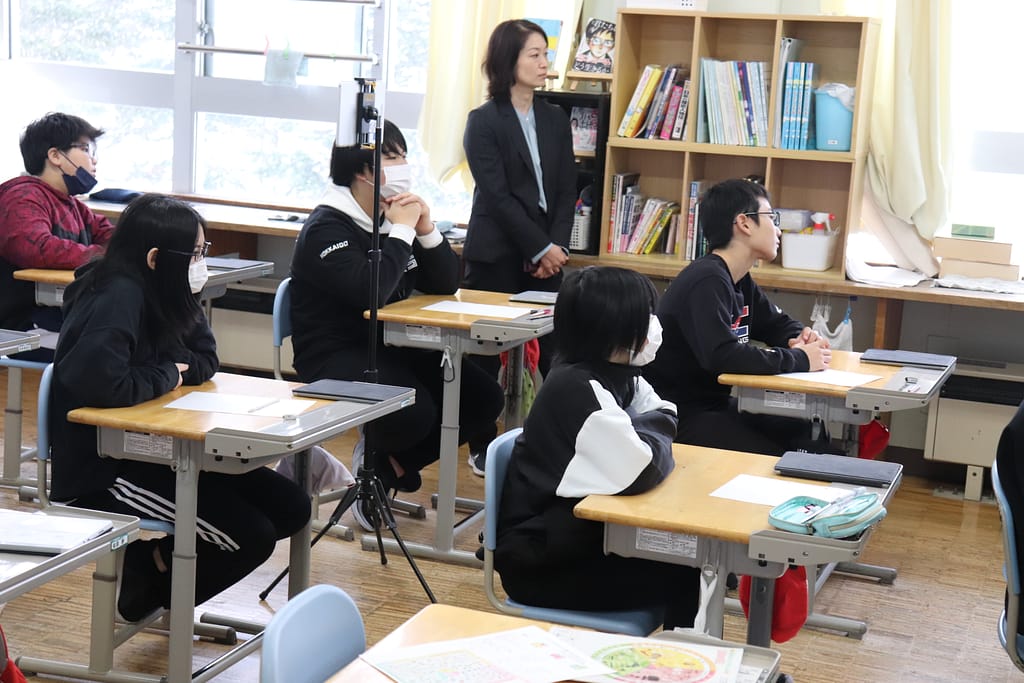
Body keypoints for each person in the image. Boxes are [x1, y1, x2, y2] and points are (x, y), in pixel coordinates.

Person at [49, 193, 310, 622]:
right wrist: (167, 373)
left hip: (163, 449)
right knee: (251, 536)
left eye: (203, 251)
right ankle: (151, 582)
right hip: (106, 467)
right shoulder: (115, 295)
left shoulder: (170, 290)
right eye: (194, 254)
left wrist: (167, 370)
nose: (201, 263)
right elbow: (100, 384)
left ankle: (152, 564)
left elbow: (205, 360)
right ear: (155, 257)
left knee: (292, 506)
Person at [289, 121, 504, 528]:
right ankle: (372, 471)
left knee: (483, 398)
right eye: (390, 157)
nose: (402, 165)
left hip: (390, 345)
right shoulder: (327, 227)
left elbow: (444, 283)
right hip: (335, 352)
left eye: (403, 155)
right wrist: (402, 230)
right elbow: (370, 292)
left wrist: (424, 229)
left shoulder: (389, 218)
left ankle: (384, 468)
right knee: (414, 411)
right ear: (361, 170)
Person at [496, 266, 700, 630]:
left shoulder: (618, 373)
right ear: (614, 326)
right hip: (540, 562)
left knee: (686, 557)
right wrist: (646, 436)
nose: (654, 326)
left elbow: (664, 412)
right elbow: (645, 468)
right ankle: (672, 658)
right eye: (645, 316)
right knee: (684, 570)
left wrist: (642, 434)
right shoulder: (576, 388)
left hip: (575, 538)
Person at [644, 178, 832, 456]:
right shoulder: (707, 280)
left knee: (805, 431)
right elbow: (723, 355)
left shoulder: (738, 278)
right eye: (771, 218)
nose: (777, 229)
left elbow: (775, 324)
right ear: (744, 223)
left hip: (712, 406)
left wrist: (799, 337)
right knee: (772, 457)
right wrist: (801, 359)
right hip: (678, 413)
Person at [0, 113, 115, 360]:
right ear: (55, 156)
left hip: (57, 314)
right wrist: (104, 255)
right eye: (85, 149)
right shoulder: (22, 197)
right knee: (109, 353)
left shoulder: (72, 204)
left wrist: (129, 245)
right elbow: (36, 248)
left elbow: (112, 236)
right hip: (20, 325)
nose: (93, 159)